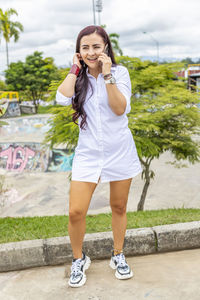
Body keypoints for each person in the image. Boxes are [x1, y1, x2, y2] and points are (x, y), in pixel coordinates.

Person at [56, 25, 142, 288]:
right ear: (79, 51)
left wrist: (107, 77)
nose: (91, 52)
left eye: (96, 46)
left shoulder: (120, 73)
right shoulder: (77, 77)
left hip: (119, 150)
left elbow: (119, 109)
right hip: (89, 153)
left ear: (106, 47)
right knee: (75, 211)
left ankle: (118, 254)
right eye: (85, 47)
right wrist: (74, 69)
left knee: (118, 206)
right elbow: (62, 99)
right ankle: (78, 259)